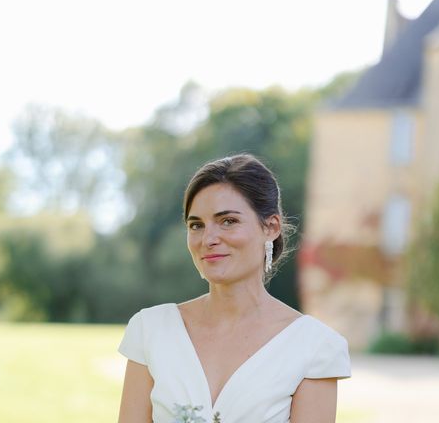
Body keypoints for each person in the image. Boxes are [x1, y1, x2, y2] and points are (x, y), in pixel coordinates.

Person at [118, 154, 351, 423]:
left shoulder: (314, 346)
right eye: (196, 225)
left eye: (228, 221)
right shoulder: (151, 330)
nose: (208, 239)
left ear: (271, 227)